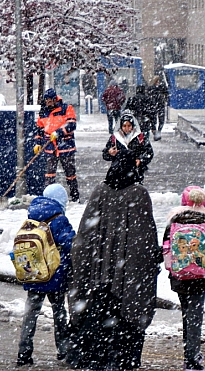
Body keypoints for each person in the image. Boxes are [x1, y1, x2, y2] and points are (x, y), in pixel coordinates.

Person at [66, 135, 162, 371]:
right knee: (124, 339)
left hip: (98, 283)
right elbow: (144, 243)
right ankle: (120, 360)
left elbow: (85, 237)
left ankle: (95, 357)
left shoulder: (100, 191)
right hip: (127, 285)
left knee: (96, 332)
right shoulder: (139, 194)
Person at [16, 184, 76, 366]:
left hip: (33, 273)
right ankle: (63, 350)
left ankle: (23, 353)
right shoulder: (59, 219)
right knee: (59, 312)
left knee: (30, 314)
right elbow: (70, 244)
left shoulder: (32, 216)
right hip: (54, 276)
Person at [163, 186, 205, 371]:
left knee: (187, 313)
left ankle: (189, 352)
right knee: (195, 316)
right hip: (200, 275)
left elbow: (166, 244)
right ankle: (192, 358)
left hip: (179, 274)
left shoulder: (174, 218)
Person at [34, 88, 79, 202]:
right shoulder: (43, 112)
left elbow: (72, 125)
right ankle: (48, 198)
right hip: (50, 148)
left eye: (50, 100)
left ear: (55, 99)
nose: (48, 103)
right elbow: (39, 129)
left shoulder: (66, 109)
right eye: (46, 100)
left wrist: (58, 133)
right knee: (49, 175)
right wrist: (38, 143)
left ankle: (75, 196)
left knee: (70, 174)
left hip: (65, 147)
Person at [102, 111, 153, 187]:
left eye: (129, 126)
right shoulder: (115, 138)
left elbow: (149, 152)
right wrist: (110, 153)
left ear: (133, 125)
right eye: (124, 126)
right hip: (118, 172)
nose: (126, 128)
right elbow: (105, 154)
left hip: (135, 171)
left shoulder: (140, 137)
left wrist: (140, 160)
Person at [146, 75, 168, 141]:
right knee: (158, 119)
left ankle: (156, 132)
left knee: (155, 120)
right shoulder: (161, 88)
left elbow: (148, 96)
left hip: (154, 105)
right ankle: (157, 132)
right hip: (158, 105)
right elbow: (166, 95)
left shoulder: (151, 88)